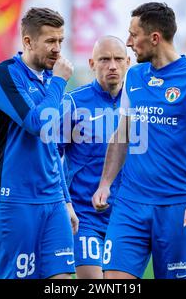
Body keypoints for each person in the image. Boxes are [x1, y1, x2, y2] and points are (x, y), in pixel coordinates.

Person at [92, 2, 186, 279]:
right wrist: (105, 184)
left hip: (177, 207)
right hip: (129, 203)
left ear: (154, 38)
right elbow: (121, 135)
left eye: (133, 35)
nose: (128, 43)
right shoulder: (134, 76)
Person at [0, 7, 78, 279]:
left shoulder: (51, 81)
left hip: (53, 201)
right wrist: (60, 83)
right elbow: (37, 124)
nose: (57, 49)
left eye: (61, 41)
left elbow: (52, 148)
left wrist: (66, 200)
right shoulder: (6, 75)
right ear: (27, 41)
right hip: (15, 199)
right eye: (50, 41)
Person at [58, 36, 130, 278]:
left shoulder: (139, 103)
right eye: (104, 59)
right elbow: (51, 157)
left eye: (118, 59)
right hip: (85, 214)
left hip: (127, 217)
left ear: (128, 62)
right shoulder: (73, 103)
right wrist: (65, 203)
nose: (112, 65)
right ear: (91, 63)